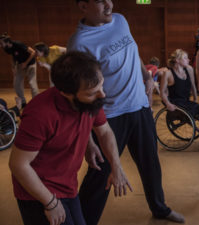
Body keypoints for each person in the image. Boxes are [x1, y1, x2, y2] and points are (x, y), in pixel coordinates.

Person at [68, 0, 184, 224]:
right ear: (83, 6)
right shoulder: (80, 42)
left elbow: (133, 50)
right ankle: (84, 220)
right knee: (100, 175)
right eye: (100, 1)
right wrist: (88, 142)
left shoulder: (121, 21)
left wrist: (147, 75)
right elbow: (78, 93)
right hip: (109, 117)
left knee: (151, 164)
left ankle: (159, 208)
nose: (108, 4)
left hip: (139, 107)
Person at [8, 51, 132, 225]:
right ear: (66, 93)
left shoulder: (91, 100)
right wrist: (50, 203)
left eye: (101, 86)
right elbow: (18, 164)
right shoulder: (40, 114)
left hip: (67, 186)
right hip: (37, 192)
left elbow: (104, 132)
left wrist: (116, 166)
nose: (102, 95)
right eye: (91, 93)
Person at [160, 49, 199, 145]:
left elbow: (193, 86)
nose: (188, 60)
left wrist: (195, 99)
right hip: (176, 103)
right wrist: (168, 104)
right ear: (177, 60)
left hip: (186, 102)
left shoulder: (189, 69)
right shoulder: (168, 73)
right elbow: (162, 92)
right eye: (185, 58)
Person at [0, 33, 39, 107]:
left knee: (32, 83)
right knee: (16, 84)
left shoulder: (18, 44)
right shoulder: (6, 48)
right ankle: (23, 102)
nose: (0, 45)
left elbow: (33, 52)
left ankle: (37, 102)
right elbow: (13, 56)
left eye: (1, 43)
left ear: (7, 42)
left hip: (31, 64)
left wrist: (25, 63)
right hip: (20, 65)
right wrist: (13, 67)